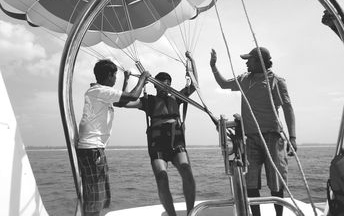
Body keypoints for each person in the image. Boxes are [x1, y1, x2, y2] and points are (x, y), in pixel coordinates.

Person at [210, 47, 297, 216]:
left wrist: (292, 137)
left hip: (272, 137)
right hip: (250, 139)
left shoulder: (276, 81)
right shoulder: (244, 79)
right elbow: (223, 84)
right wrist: (213, 66)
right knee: (250, 183)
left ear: (260, 62)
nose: (246, 62)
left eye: (249, 59)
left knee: (276, 184)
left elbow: (287, 108)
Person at [115, 52, 197, 216]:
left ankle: (190, 213)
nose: (165, 87)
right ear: (155, 85)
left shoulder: (177, 98)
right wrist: (126, 80)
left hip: (176, 144)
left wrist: (192, 63)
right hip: (158, 145)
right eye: (162, 84)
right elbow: (121, 103)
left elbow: (194, 85)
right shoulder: (148, 101)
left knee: (187, 171)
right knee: (162, 177)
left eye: (168, 84)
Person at [76, 59, 150, 216]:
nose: (115, 78)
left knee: (97, 195)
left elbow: (121, 102)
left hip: (94, 149)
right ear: (109, 75)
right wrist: (143, 78)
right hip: (92, 149)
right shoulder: (99, 91)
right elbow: (132, 96)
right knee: (94, 198)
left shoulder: (100, 93)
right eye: (115, 75)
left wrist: (127, 79)